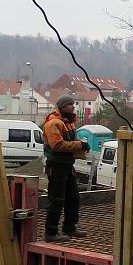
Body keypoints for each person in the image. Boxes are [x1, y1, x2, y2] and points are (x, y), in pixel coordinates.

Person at [43, 94, 89, 242]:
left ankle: (70, 228)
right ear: (62, 106)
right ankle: (50, 232)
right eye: (70, 104)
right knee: (57, 198)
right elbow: (57, 145)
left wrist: (80, 144)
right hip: (56, 166)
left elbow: (70, 141)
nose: (73, 107)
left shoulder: (67, 122)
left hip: (67, 165)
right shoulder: (53, 123)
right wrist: (79, 145)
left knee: (73, 197)